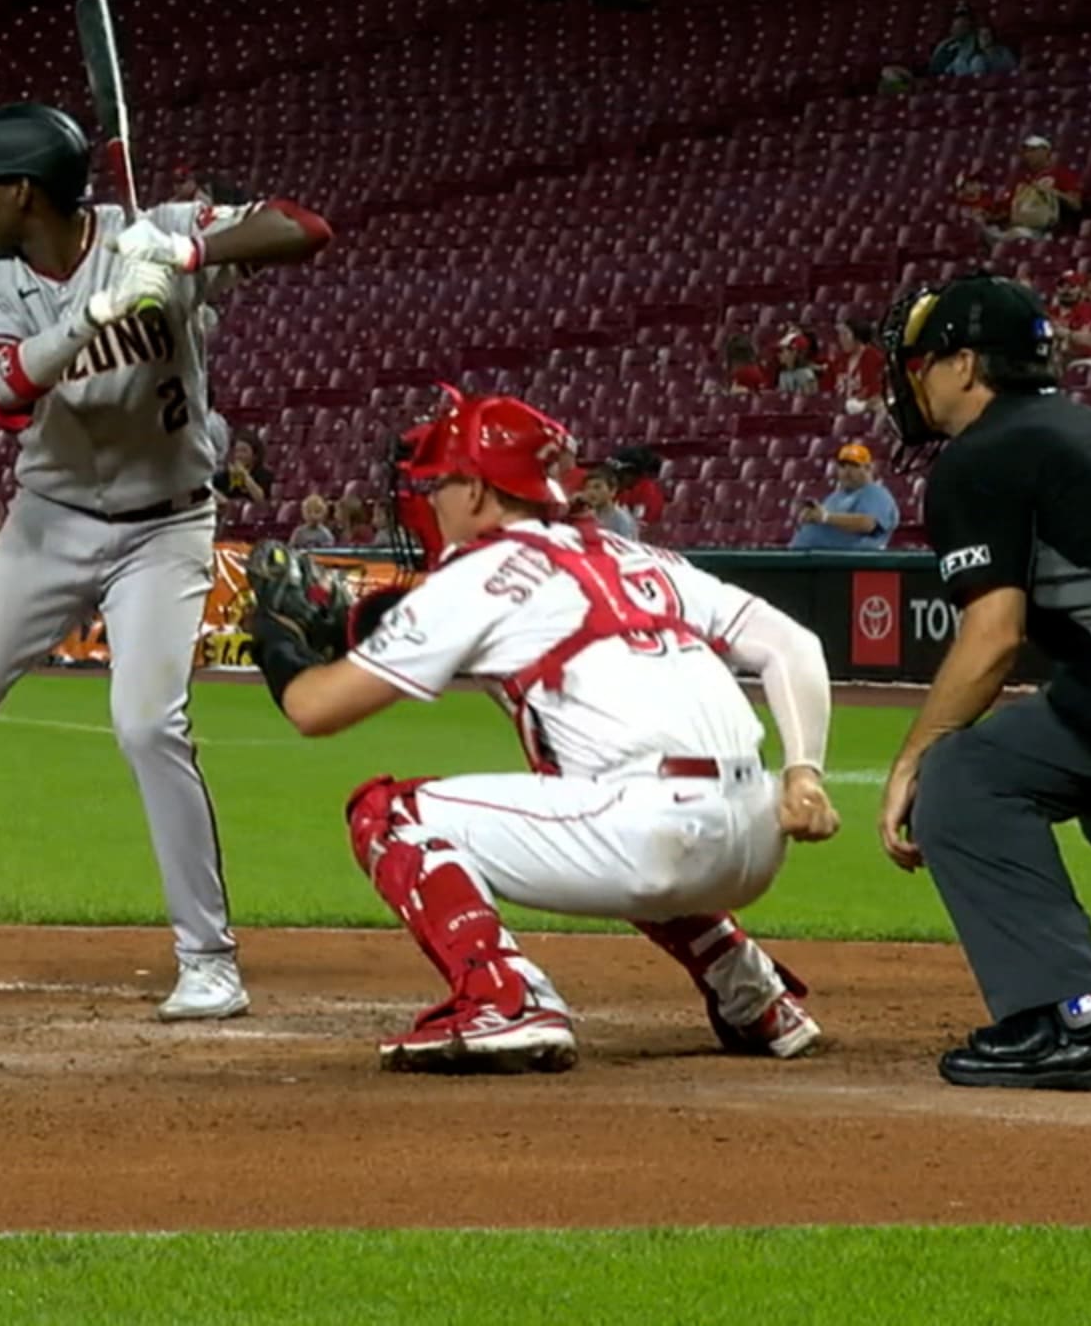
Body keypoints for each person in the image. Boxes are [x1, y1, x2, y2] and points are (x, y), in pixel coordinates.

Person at [0, 100, 332, 1021]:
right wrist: (98, 312)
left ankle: (208, 960)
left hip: (166, 529)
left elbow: (303, 227)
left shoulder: (153, 231)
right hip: (48, 524)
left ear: (25, 191)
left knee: (148, 726)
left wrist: (183, 255)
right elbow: (0, 395)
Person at [241, 388, 837, 1072]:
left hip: (652, 836)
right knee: (580, 791)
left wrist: (276, 640)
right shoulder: (634, 555)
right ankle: (754, 996)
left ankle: (506, 999)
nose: (430, 501)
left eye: (439, 484)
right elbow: (794, 645)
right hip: (760, 830)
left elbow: (315, 709)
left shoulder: (479, 572)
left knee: (389, 814)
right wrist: (803, 773)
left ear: (476, 489)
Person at [872, 274, 1091, 1092]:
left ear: (965, 366)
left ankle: (1068, 1016)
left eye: (923, 362)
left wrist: (914, 757)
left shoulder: (982, 455)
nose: (914, 381)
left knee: (966, 776)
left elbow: (993, 637)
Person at [787, 442, 899, 550]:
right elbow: (824, 521)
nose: (847, 471)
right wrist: (811, 517)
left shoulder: (875, 493)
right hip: (810, 556)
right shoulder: (836, 496)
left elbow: (868, 524)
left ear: (868, 468)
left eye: (854, 466)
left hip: (845, 559)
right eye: (843, 466)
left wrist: (825, 517)